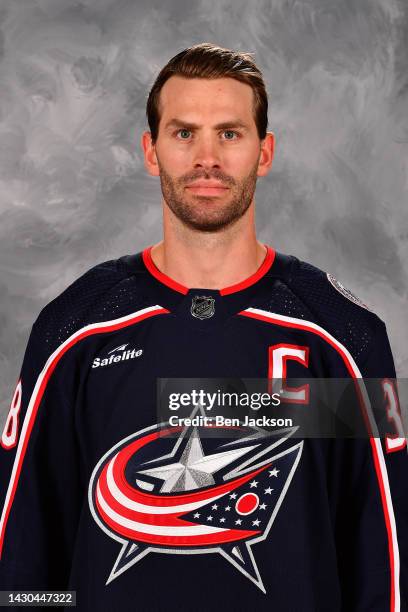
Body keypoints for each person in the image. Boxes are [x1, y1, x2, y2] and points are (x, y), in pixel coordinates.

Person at [0, 42, 406, 611]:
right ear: (151, 150)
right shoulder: (75, 328)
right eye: (184, 132)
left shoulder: (341, 335)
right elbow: (24, 553)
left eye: (230, 134)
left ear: (264, 152)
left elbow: (383, 557)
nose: (207, 157)